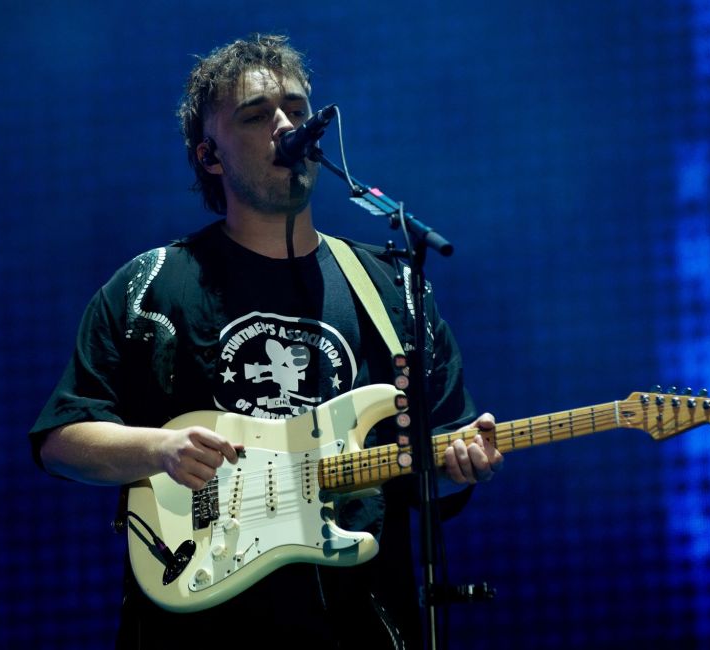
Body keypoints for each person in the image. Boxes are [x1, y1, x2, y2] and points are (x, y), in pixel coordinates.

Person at [29, 34, 502, 649]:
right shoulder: (151, 287)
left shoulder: (391, 290)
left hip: (362, 624)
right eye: (256, 116)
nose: (285, 125)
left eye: (298, 111)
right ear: (210, 156)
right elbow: (62, 438)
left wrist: (461, 469)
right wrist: (162, 450)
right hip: (198, 624)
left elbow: (427, 467)